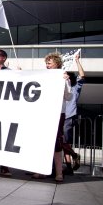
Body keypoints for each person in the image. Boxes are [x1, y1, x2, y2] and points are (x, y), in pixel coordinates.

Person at [35, 52, 72, 182]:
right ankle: (41, 170)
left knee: (56, 142)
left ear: (57, 63)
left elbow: (69, 97)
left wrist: (65, 81)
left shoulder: (63, 77)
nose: (47, 65)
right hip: (44, 113)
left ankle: (59, 172)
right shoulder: (44, 76)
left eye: (49, 63)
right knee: (42, 140)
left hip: (57, 113)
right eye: (46, 63)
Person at [62, 53, 84, 175]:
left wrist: (77, 61)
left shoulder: (75, 87)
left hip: (69, 116)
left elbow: (82, 75)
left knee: (63, 142)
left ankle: (74, 156)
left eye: (67, 76)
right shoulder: (61, 86)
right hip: (60, 116)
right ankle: (69, 167)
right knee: (63, 142)